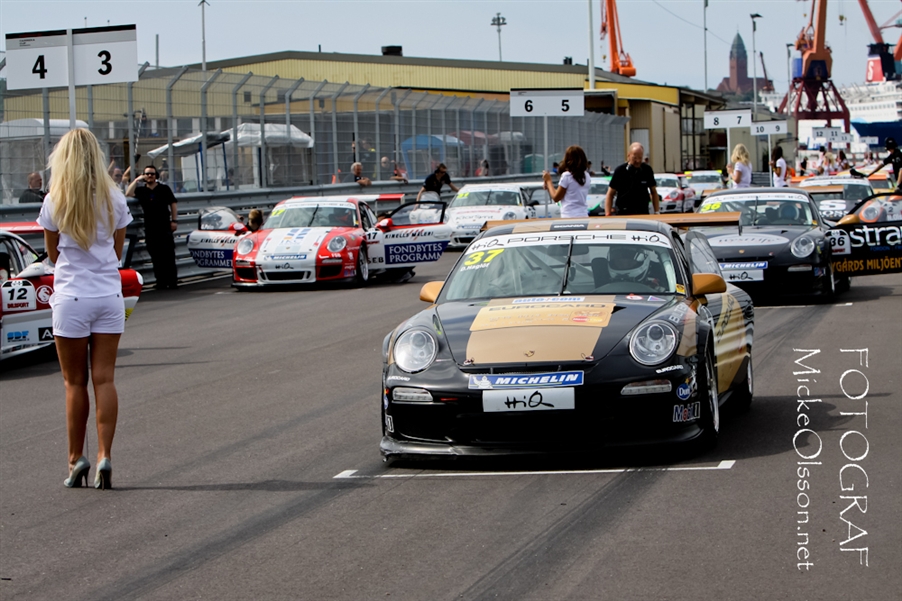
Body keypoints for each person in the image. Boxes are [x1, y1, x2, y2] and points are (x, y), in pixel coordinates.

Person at [36, 129, 132, 490]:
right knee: (104, 379)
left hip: (71, 296)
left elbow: (52, 254)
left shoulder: (55, 199)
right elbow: (117, 252)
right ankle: (105, 455)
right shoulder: (115, 198)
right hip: (108, 295)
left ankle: (76, 459)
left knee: (73, 382)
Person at [126, 165, 179, 289]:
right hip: (150, 227)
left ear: (156, 175)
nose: (150, 176)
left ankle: (172, 281)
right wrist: (137, 180)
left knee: (168, 254)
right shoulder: (141, 190)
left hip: (164, 226)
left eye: (152, 174)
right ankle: (160, 282)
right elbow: (128, 193)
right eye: (147, 174)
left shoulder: (164, 189)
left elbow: (173, 203)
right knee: (155, 255)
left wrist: (174, 220)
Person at [605, 142, 660, 216]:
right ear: (628, 155)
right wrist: (607, 213)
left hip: (642, 212)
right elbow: (610, 194)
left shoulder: (647, 170)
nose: (638, 161)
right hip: (623, 213)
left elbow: (654, 192)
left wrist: (657, 212)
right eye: (635, 158)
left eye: (640, 158)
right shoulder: (620, 171)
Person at [542, 145, 591, 218]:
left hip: (568, 216)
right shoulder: (586, 176)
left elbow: (556, 198)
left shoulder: (567, 176)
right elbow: (565, 193)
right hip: (583, 215)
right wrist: (549, 187)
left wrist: (549, 181)